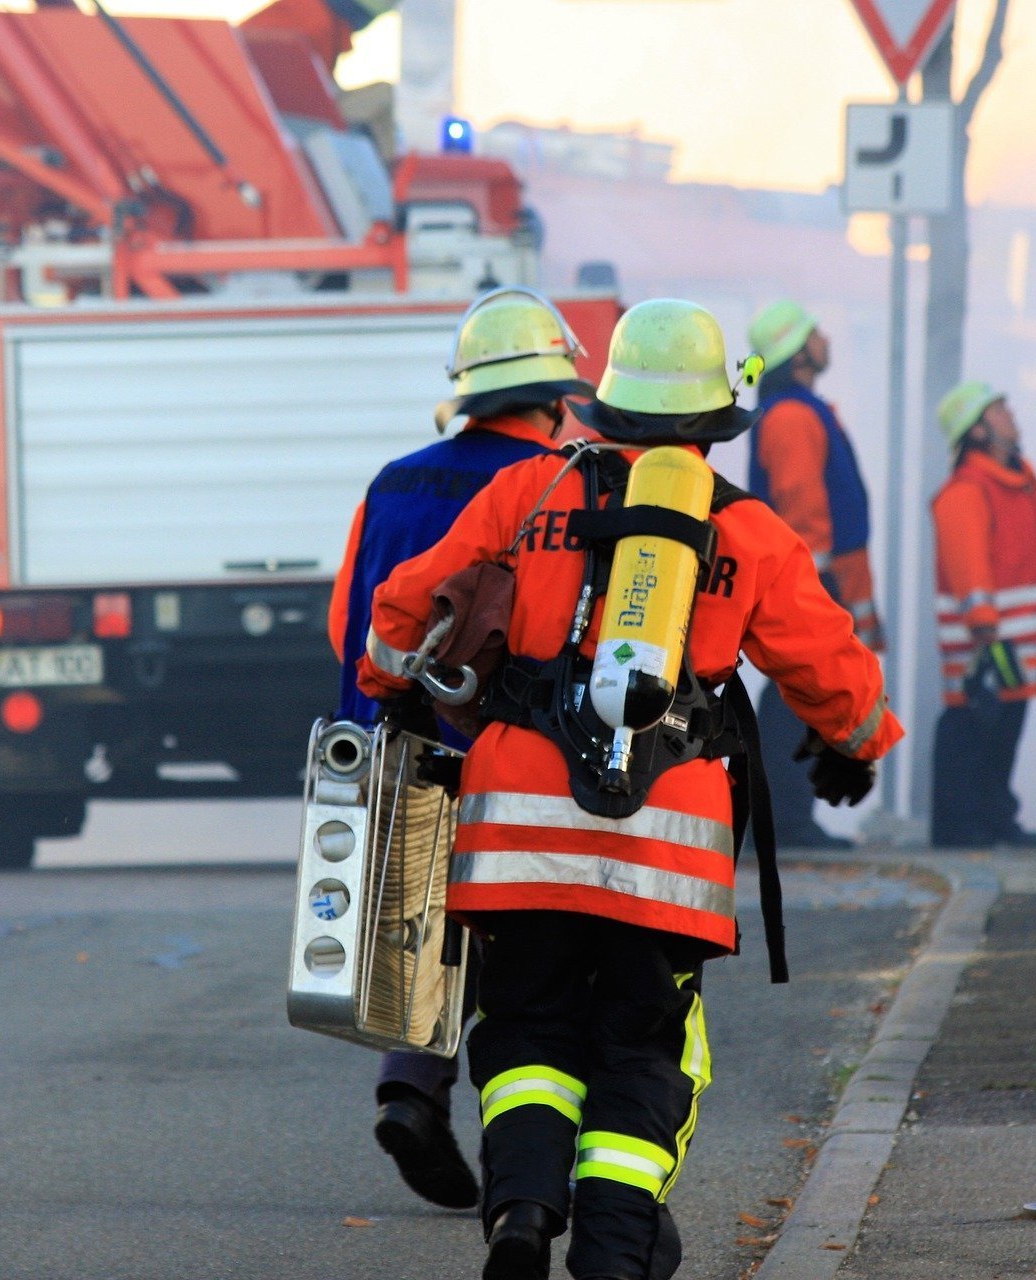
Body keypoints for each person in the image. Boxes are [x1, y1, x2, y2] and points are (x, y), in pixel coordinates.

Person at [358, 299, 901, 1280]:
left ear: (607, 400)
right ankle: (612, 1251)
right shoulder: (748, 525)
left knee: (525, 1027)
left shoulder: (530, 488)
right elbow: (833, 667)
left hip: (519, 828)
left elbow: (407, 605)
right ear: (712, 412)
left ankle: (521, 1210)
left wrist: (388, 683)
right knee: (647, 1047)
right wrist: (856, 743)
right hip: (667, 846)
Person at [329, 287, 595, 1211]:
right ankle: (517, 1146)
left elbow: (348, 626)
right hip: (511, 749)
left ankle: (412, 1087)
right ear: (556, 392)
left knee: (425, 924)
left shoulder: (394, 480)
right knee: (519, 947)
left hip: (390, 735)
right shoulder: (562, 485)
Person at [743, 300, 885, 848]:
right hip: (810, 585)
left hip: (817, 582)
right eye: (814, 333)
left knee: (799, 701)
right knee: (794, 703)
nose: (825, 338)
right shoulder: (793, 416)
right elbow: (802, 511)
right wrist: (818, 591)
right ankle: (785, 821)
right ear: (798, 353)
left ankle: (788, 818)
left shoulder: (798, 411)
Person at [929, 381, 1036, 849]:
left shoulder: (1021, 482)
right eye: (998, 409)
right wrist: (985, 629)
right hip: (985, 640)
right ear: (977, 431)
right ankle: (959, 825)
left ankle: (992, 818)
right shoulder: (966, 491)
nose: (1010, 414)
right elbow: (969, 567)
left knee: (1004, 729)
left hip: (1017, 636)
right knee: (971, 727)